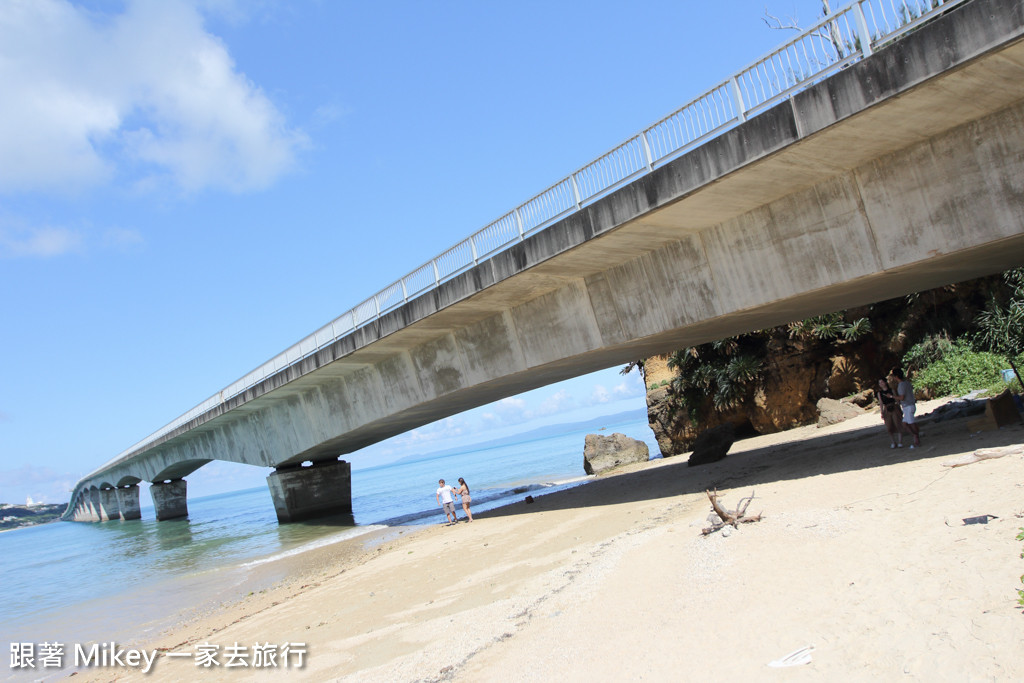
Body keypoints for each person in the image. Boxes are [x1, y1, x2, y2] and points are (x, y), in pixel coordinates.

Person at [892, 368, 921, 448]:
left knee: (911, 423)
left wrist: (892, 396)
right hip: (910, 405)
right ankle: (915, 436)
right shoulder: (907, 383)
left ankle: (916, 438)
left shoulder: (901, 385)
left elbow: (902, 397)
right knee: (904, 424)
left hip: (907, 406)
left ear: (896, 376)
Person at [877, 378, 903, 448]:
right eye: (879, 383)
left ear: (885, 382)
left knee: (897, 424)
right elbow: (881, 403)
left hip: (894, 407)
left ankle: (900, 441)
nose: (881, 384)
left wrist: (899, 408)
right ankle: (893, 442)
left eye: (882, 382)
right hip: (887, 409)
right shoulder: (880, 393)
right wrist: (882, 412)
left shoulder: (891, 390)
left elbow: (896, 400)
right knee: (889, 426)